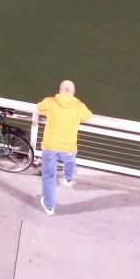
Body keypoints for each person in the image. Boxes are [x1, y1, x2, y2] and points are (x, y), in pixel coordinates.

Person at [37, 80, 93, 216]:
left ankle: (49, 206)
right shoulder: (79, 106)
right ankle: (68, 178)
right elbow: (88, 117)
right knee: (70, 160)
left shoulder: (50, 102)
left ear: (60, 90)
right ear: (73, 93)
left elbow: (39, 107)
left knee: (49, 176)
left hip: (50, 146)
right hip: (68, 147)